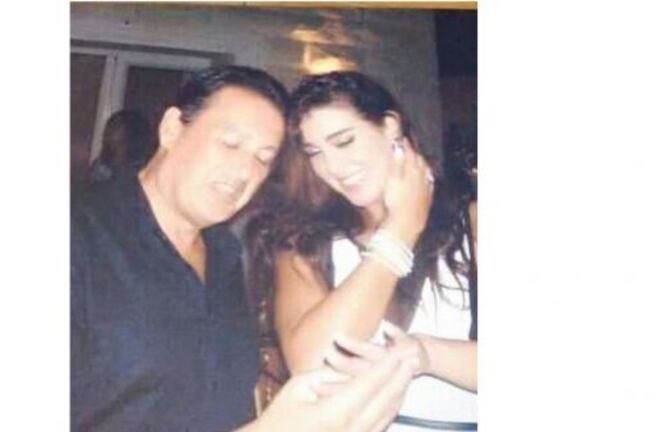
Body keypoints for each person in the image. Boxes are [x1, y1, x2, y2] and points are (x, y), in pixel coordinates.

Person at [71, 66, 421, 432]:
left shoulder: (223, 254)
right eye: (230, 143)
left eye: (263, 158)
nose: (244, 170)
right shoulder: (76, 237)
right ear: (172, 128)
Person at [245, 71, 477, 431]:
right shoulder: (303, 243)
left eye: (344, 141)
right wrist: (400, 230)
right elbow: (316, 364)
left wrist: (425, 353)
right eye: (315, 153)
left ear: (390, 126)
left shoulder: (471, 222)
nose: (333, 168)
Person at [88, 109, 155, 184]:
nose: (111, 149)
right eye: (108, 143)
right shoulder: (100, 169)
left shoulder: (148, 173)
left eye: (118, 143)